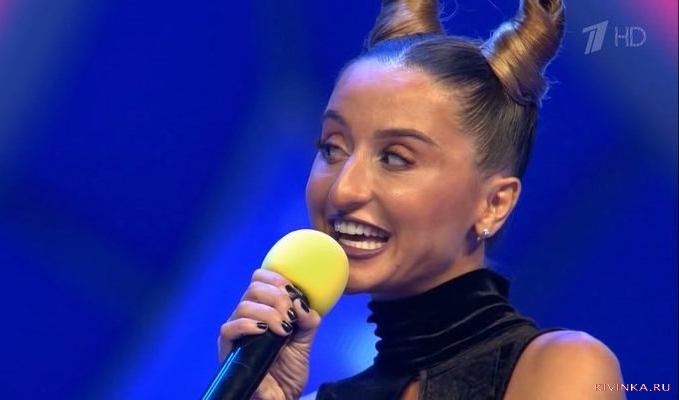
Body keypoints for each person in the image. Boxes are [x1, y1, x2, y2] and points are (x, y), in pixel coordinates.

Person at [218, 0, 625, 398]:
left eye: (396, 158)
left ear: (494, 204)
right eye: (332, 147)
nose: (344, 189)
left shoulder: (564, 368)